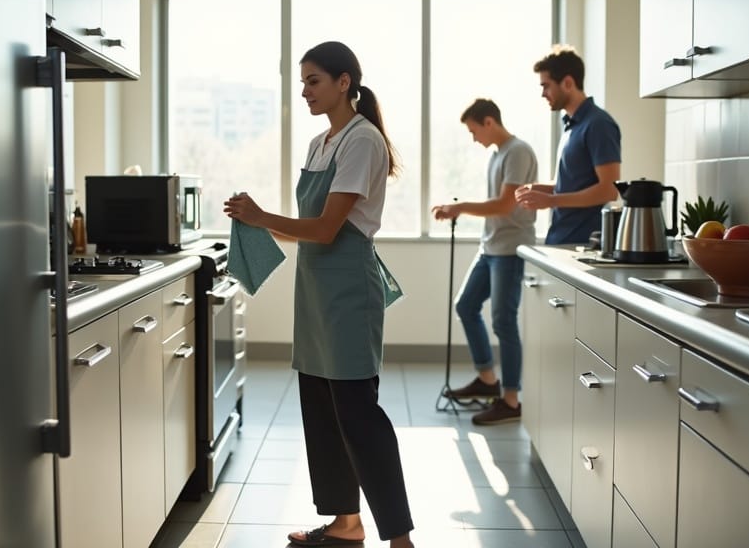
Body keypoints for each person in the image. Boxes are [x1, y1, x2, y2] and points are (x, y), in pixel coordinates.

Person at [223, 41, 414, 548]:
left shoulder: (362, 140)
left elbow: (328, 229)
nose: (305, 91)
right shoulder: (318, 144)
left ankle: (400, 538)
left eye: (313, 81)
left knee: (358, 415)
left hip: (349, 289)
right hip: (314, 291)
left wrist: (262, 215)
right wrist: (252, 224)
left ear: (344, 82)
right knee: (322, 412)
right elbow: (307, 228)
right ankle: (346, 524)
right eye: (302, 82)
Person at [432, 99, 538, 426]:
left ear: (489, 122)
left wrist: (460, 207)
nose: (473, 138)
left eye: (474, 130)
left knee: (503, 321)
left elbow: (506, 205)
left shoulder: (517, 151)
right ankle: (488, 380)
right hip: (490, 246)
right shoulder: (497, 155)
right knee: (465, 305)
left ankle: (510, 400)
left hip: (510, 248)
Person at [515, 45, 621, 244]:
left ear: (568, 82)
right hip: (563, 239)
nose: (543, 94)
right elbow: (568, 185)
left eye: (546, 86)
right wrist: (536, 189)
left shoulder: (598, 124)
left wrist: (551, 201)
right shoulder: (570, 126)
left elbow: (609, 189)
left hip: (584, 244)